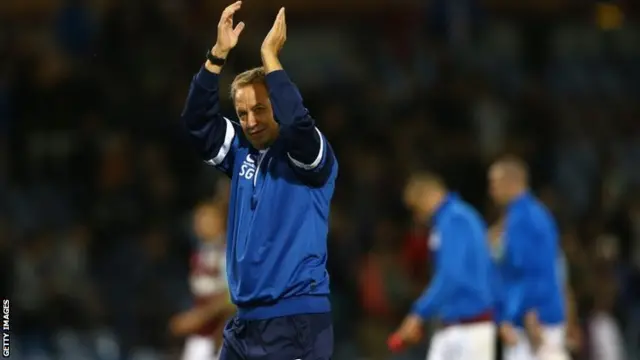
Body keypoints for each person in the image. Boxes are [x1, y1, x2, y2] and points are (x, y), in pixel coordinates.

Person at [180, 2, 338, 359]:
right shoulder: (241, 151)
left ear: (278, 108)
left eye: (260, 109)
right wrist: (216, 56)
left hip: (295, 321)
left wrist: (270, 58)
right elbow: (196, 124)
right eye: (242, 113)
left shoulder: (306, 154)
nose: (250, 121)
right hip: (244, 323)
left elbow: (298, 124)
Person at [389, 172, 496, 360]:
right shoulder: (452, 219)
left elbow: (451, 276)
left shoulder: (455, 219)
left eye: (415, 208)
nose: (417, 217)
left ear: (427, 196)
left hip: (469, 330)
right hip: (455, 327)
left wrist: (418, 314)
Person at [488, 155, 567, 360]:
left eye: (494, 183)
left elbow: (534, 269)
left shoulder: (527, 218)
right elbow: (509, 274)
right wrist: (503, 316)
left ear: (511, 182)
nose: (491, 191)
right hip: (521, 318)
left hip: (535, 319)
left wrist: (532, 312)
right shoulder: (517, 216)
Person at [170, 202, 235, 360]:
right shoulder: (200, 252)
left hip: (223, 337)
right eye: (196, 219)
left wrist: (198, 317)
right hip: (200, 338)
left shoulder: (228, 252)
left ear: (220, 220)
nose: (198, 224)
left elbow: (233, 295)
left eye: (205, 218)